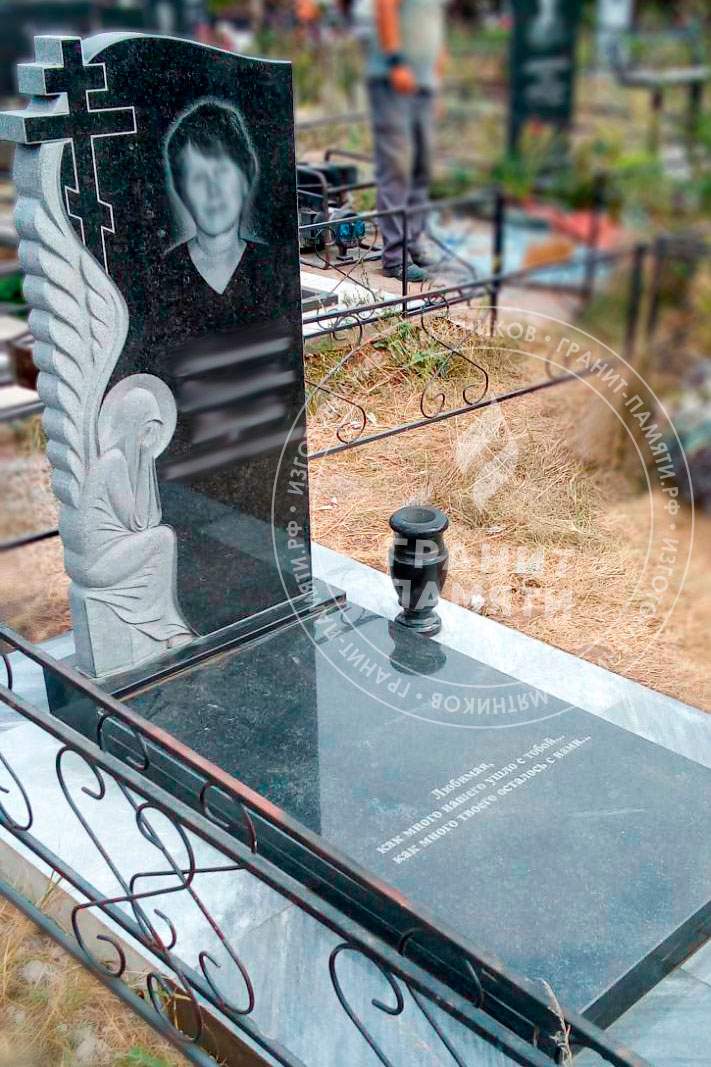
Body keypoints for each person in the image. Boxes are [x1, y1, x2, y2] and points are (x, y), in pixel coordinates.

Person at [366, 0, 447, 282]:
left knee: (422, 167)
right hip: (393, 80)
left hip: (424, 85)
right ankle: (395, 258)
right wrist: (396, 61)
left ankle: (412, 243)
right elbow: (385, 6)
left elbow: (437, 29)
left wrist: (436, 83)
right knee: (397, 167)